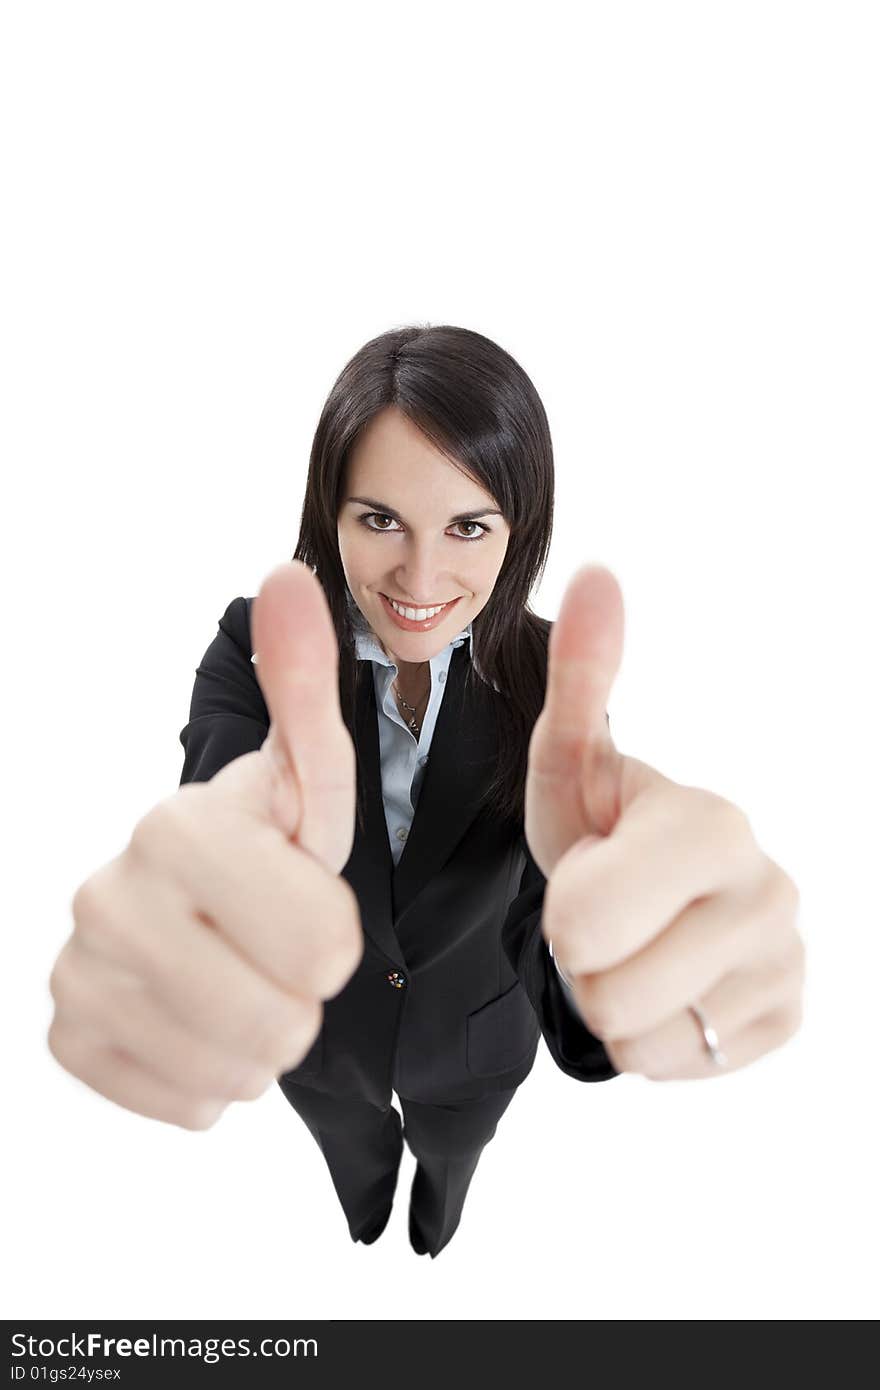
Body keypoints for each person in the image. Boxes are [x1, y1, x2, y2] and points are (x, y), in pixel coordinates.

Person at [49, 324, 804, 1259]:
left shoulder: (549, 682)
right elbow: (217, 816)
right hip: (327, 1046)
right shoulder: (259, 652)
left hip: (476, 1044)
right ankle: (367, 1216)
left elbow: (553, 893)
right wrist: (203, 907)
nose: (420, 577)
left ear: (516, 530)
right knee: (351, 1159)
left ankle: (432, 1224)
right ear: (329, 511)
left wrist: (620, 954)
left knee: (452, 1160)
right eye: (379, 520)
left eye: (468, 527)